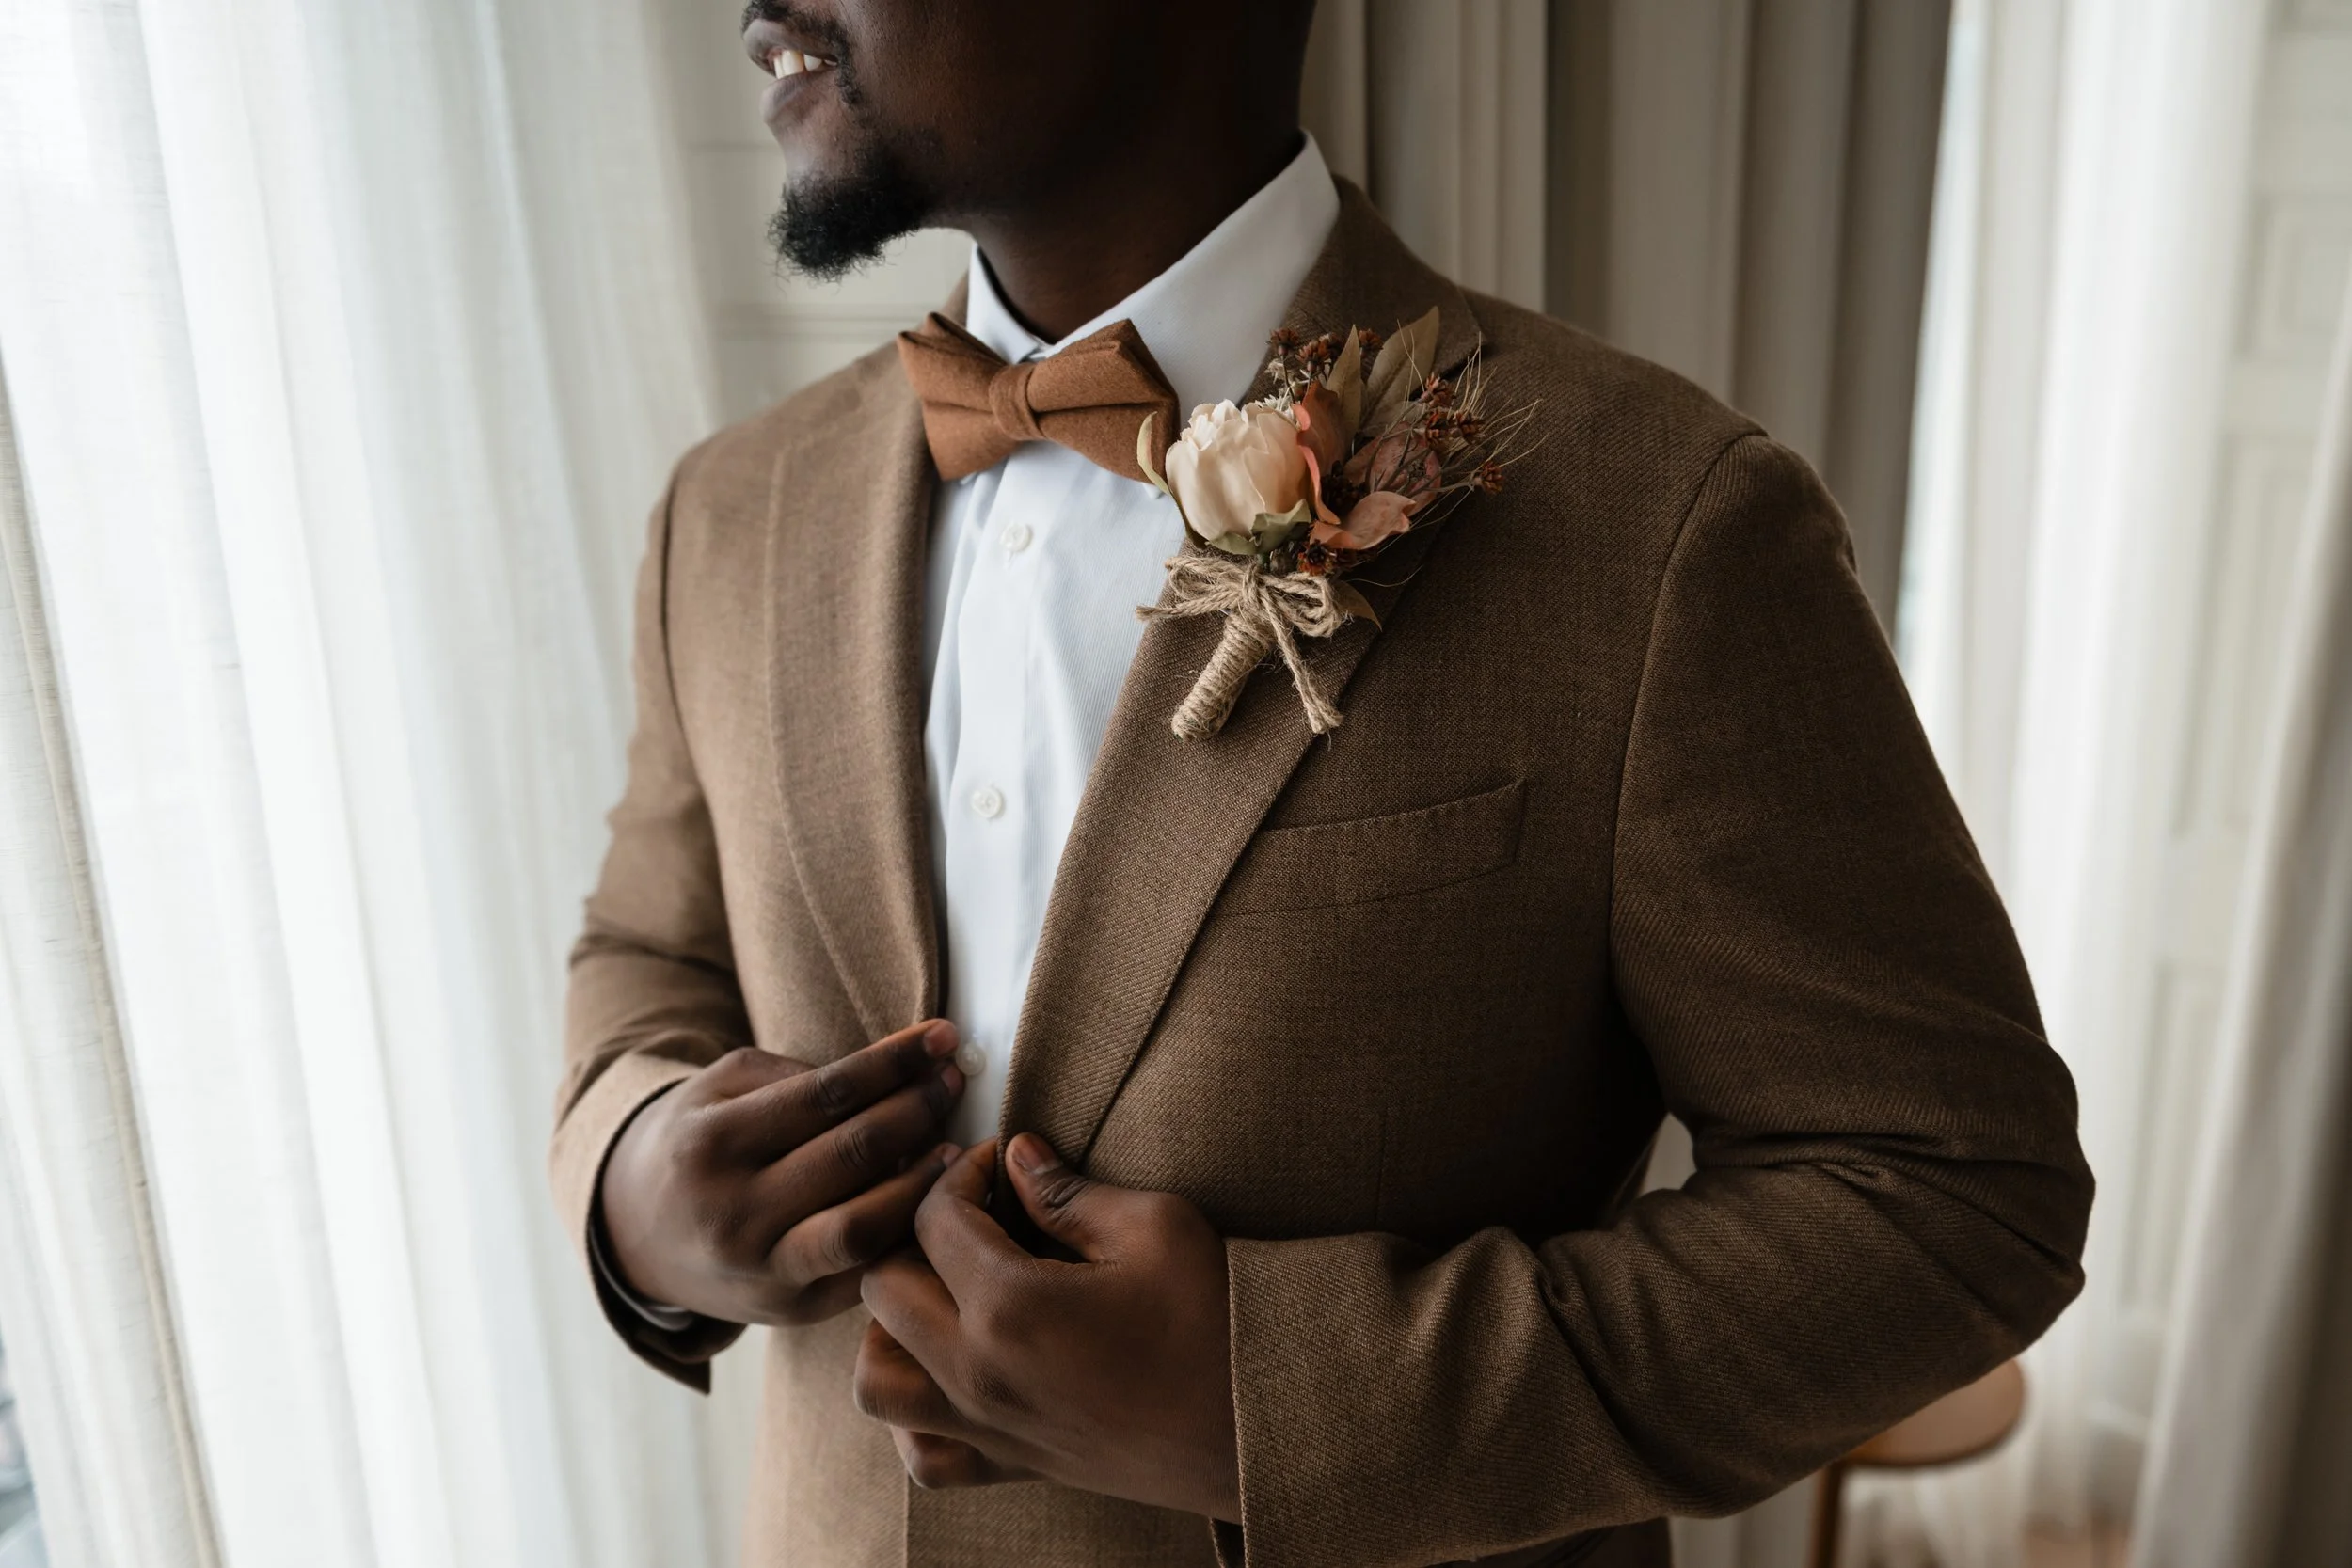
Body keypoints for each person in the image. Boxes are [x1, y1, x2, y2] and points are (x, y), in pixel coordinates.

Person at [549, 3, 2096, 1564]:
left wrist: (1280, 1403)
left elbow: (1953, 1190)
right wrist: (634, 1179)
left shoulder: (1661, 525)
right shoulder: (730, 514)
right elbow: (646, 949)